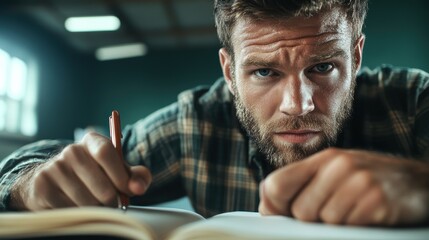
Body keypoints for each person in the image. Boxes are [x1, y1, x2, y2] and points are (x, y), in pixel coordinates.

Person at [1, 0, 428, 227]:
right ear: (229, 72)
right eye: (264, 71)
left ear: (356, 56)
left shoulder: (410, 103)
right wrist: (30, 185)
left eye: (323, 67)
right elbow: (38, 163)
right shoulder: (195, 124)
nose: (297, 104)